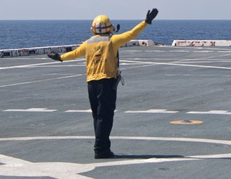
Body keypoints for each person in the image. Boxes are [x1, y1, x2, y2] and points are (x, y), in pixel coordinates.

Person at [48, 9, 158, 159]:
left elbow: (74, 54)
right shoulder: (112, 41)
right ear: (110, 27)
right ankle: (101, 149)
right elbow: (132, 34)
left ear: (93, 29)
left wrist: (60, 57)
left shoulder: (88, 43)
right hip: (106, 83)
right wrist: (146, 22)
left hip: (91, 84)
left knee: (97, 116)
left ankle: (101, 146)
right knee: (105, 117)